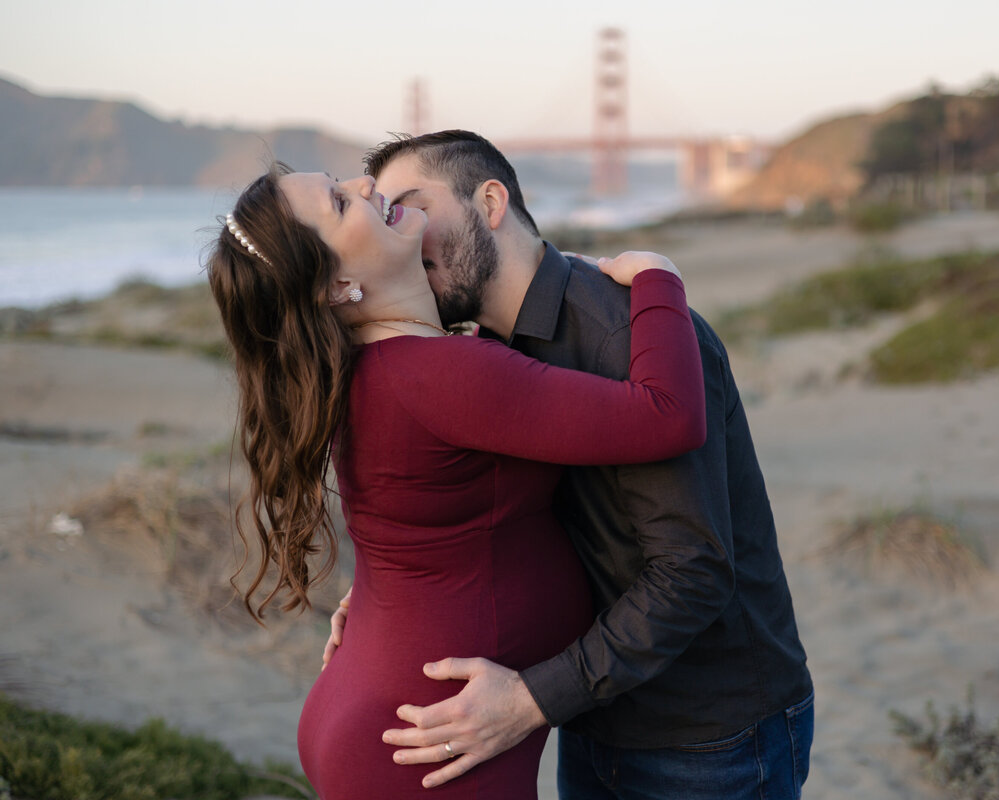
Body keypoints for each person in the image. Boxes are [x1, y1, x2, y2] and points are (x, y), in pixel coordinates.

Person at [324, 131, 814, 800]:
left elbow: (693, 570)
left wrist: (530, 700)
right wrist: (386, 592)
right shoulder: (478, 356)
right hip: (591, 717)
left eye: (412, 205)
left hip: (706, 734)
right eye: (388, 217)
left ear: (490, 202)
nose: (405, 231)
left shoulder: (630, 334)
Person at [206, 162, 708, 800]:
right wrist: (661, 278)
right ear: (336, 286)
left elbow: (404, 515)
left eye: (343, 179)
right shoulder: (441, 375)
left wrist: (373, 601)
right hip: (423, 746)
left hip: (380, 709)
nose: (366, 186)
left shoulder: (370, 370)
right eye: (338, 203)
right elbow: (670, 415)